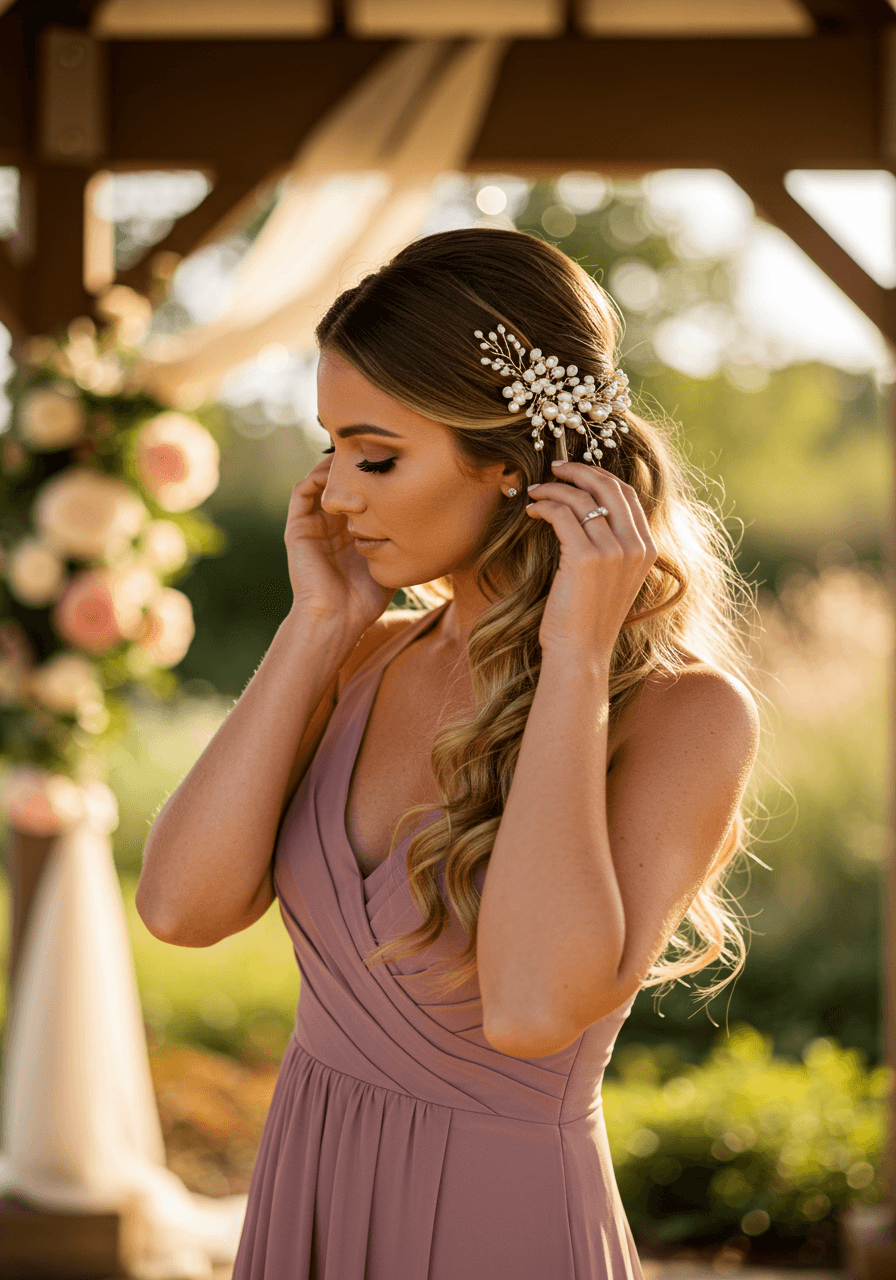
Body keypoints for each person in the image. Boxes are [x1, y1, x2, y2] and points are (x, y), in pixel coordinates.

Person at [136, 227, 762, 1278]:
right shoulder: (355, 660)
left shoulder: (683, 715)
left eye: (374, 455)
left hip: (502, 1226)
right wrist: (316, 627)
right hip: (310, 1195)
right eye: (329, 447)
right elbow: (178, 909)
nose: (335, 494)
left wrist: (572, 653)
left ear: (514, 464)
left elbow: (527, 1008)